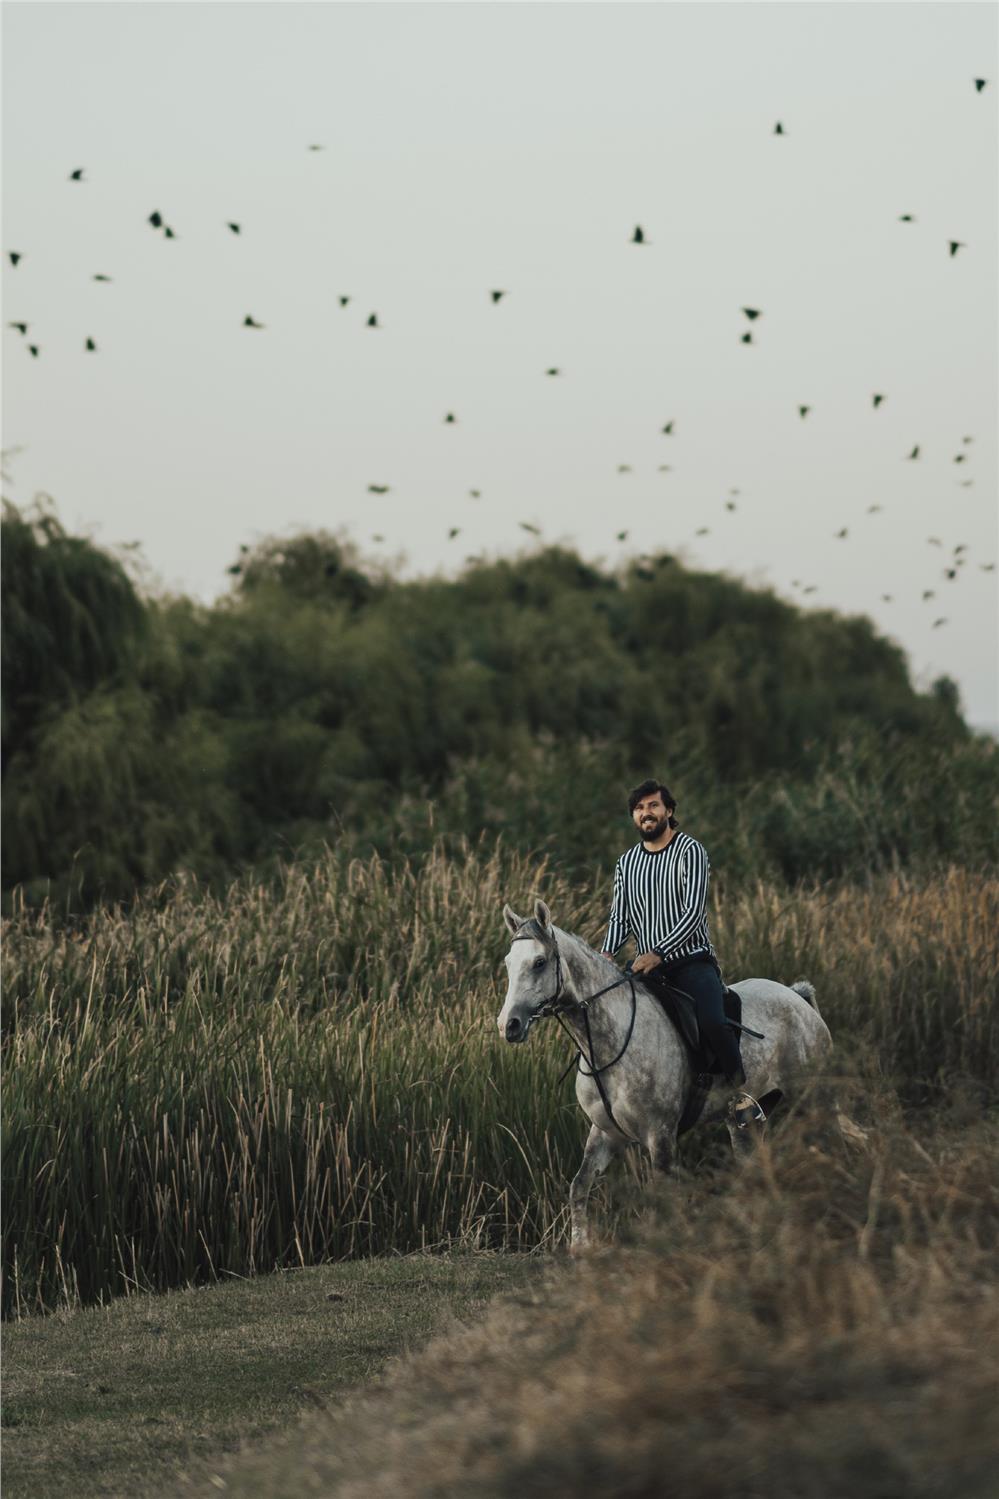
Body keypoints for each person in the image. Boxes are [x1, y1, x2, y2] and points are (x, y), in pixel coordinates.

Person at [601, 778, 765, 1125]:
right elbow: (621, 915)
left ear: (669, 811)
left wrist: (659, 952)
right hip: (647, 967)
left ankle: (740, 1095)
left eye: (653, 806)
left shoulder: (691, 851)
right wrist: (606, 954)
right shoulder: (626, 864)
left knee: (712, 1021)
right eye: (639, 808)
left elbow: (692, 913)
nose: (646, 813)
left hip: (690, 961)